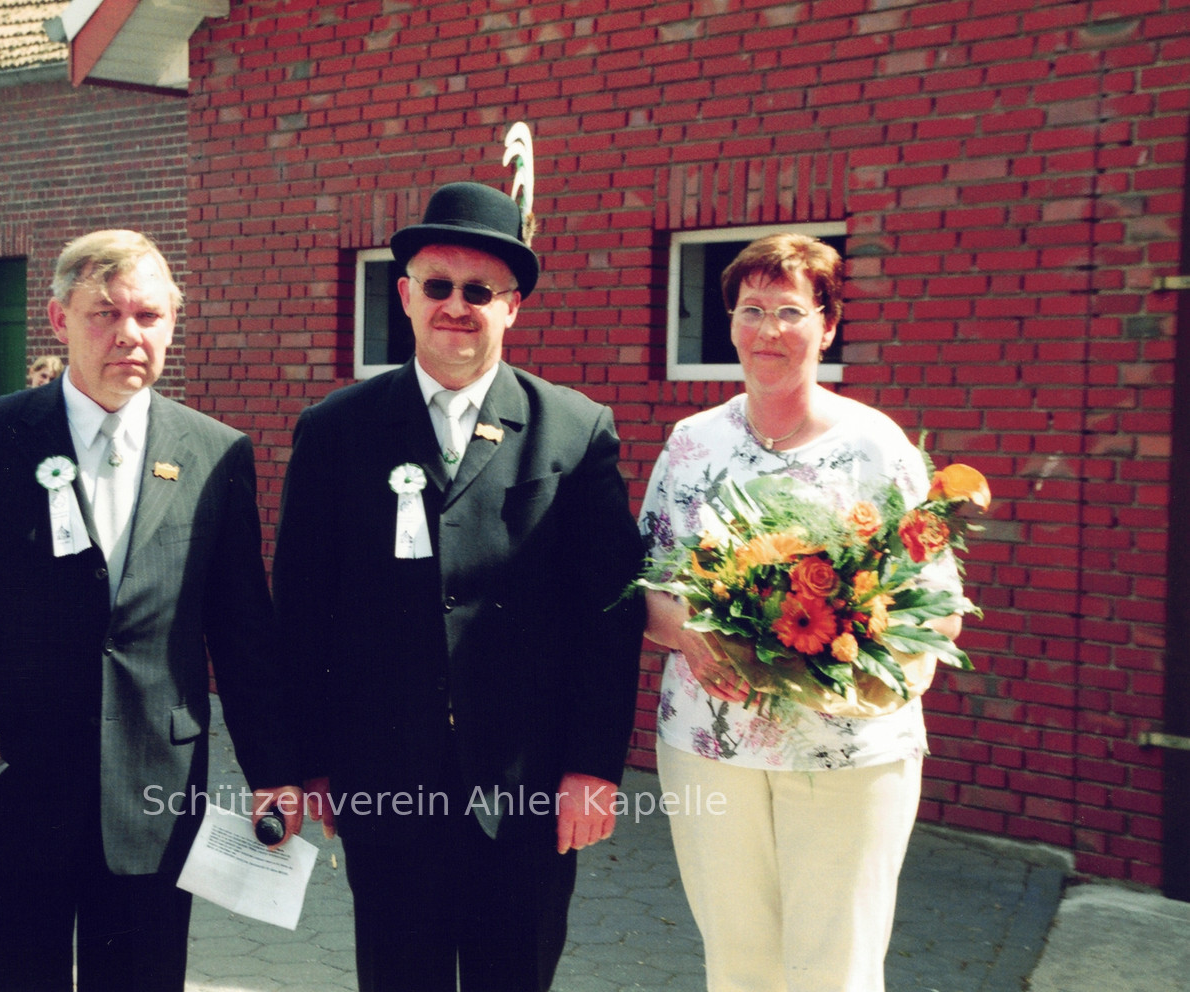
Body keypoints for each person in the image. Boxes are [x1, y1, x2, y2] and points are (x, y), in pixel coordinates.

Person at [0, 230, 302, 992]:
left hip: (153, 796)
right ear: (58, 319)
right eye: (104, 314)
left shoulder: (216, 453)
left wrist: (276, 772)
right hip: (10, 790)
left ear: (173, 321)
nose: (128, 335)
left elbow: (242, 633)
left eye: (148, 316)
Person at [273, 181, 646, 992]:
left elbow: (607, 617)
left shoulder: (573, 429)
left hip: (527, 783)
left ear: (512, 307)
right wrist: (309, 763)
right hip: (383, 778)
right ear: (405, 295)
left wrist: (592, 768)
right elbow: (301, 611)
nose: (455, 306)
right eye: (437, 285)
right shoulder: (335, 430)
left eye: (478, 292)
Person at [637, 233, 967, 992]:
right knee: (737, 965)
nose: (769, 331)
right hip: (711, 742)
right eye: (751, 310)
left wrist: (856, 647)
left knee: (834, 968)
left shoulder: (876, 447)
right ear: (729, 324)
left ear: (827, 325)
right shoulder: (692, 445)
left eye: (790, 311)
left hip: (847, 753)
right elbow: (644, 589)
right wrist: (689, 634)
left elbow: (940, 607)